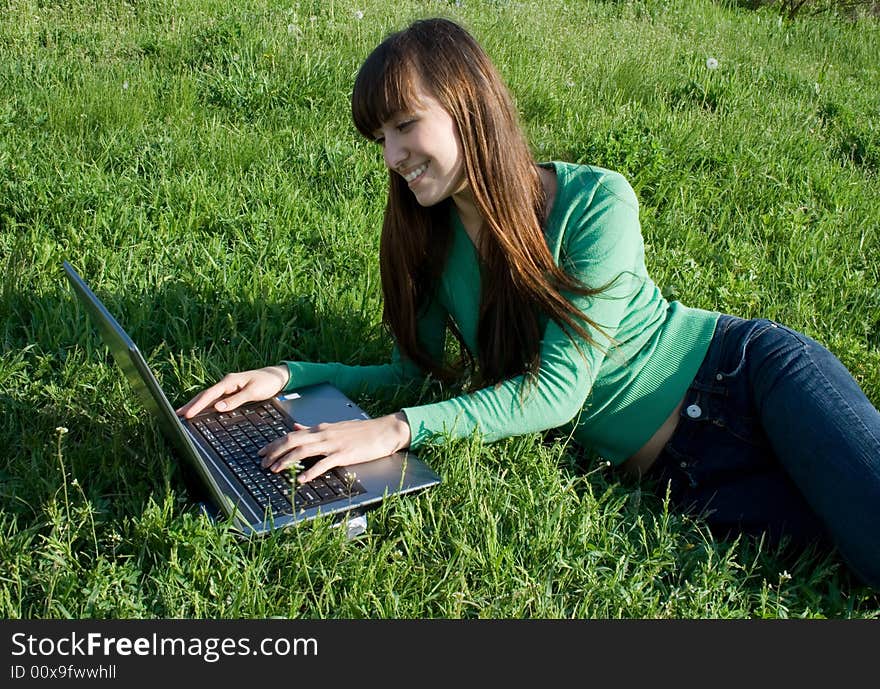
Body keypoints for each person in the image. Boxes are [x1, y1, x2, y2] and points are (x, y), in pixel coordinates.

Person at [177, 18, 880, 589]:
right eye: (380, 138)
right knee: (856, 565)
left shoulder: (597, 201)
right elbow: (412, 374)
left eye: (404, 125)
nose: (391, 155)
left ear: (468, 104)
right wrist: (288, 377)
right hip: (683, 477)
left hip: (746, 382)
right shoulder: (425, 233)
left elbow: (558, 391)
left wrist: (395, 431)